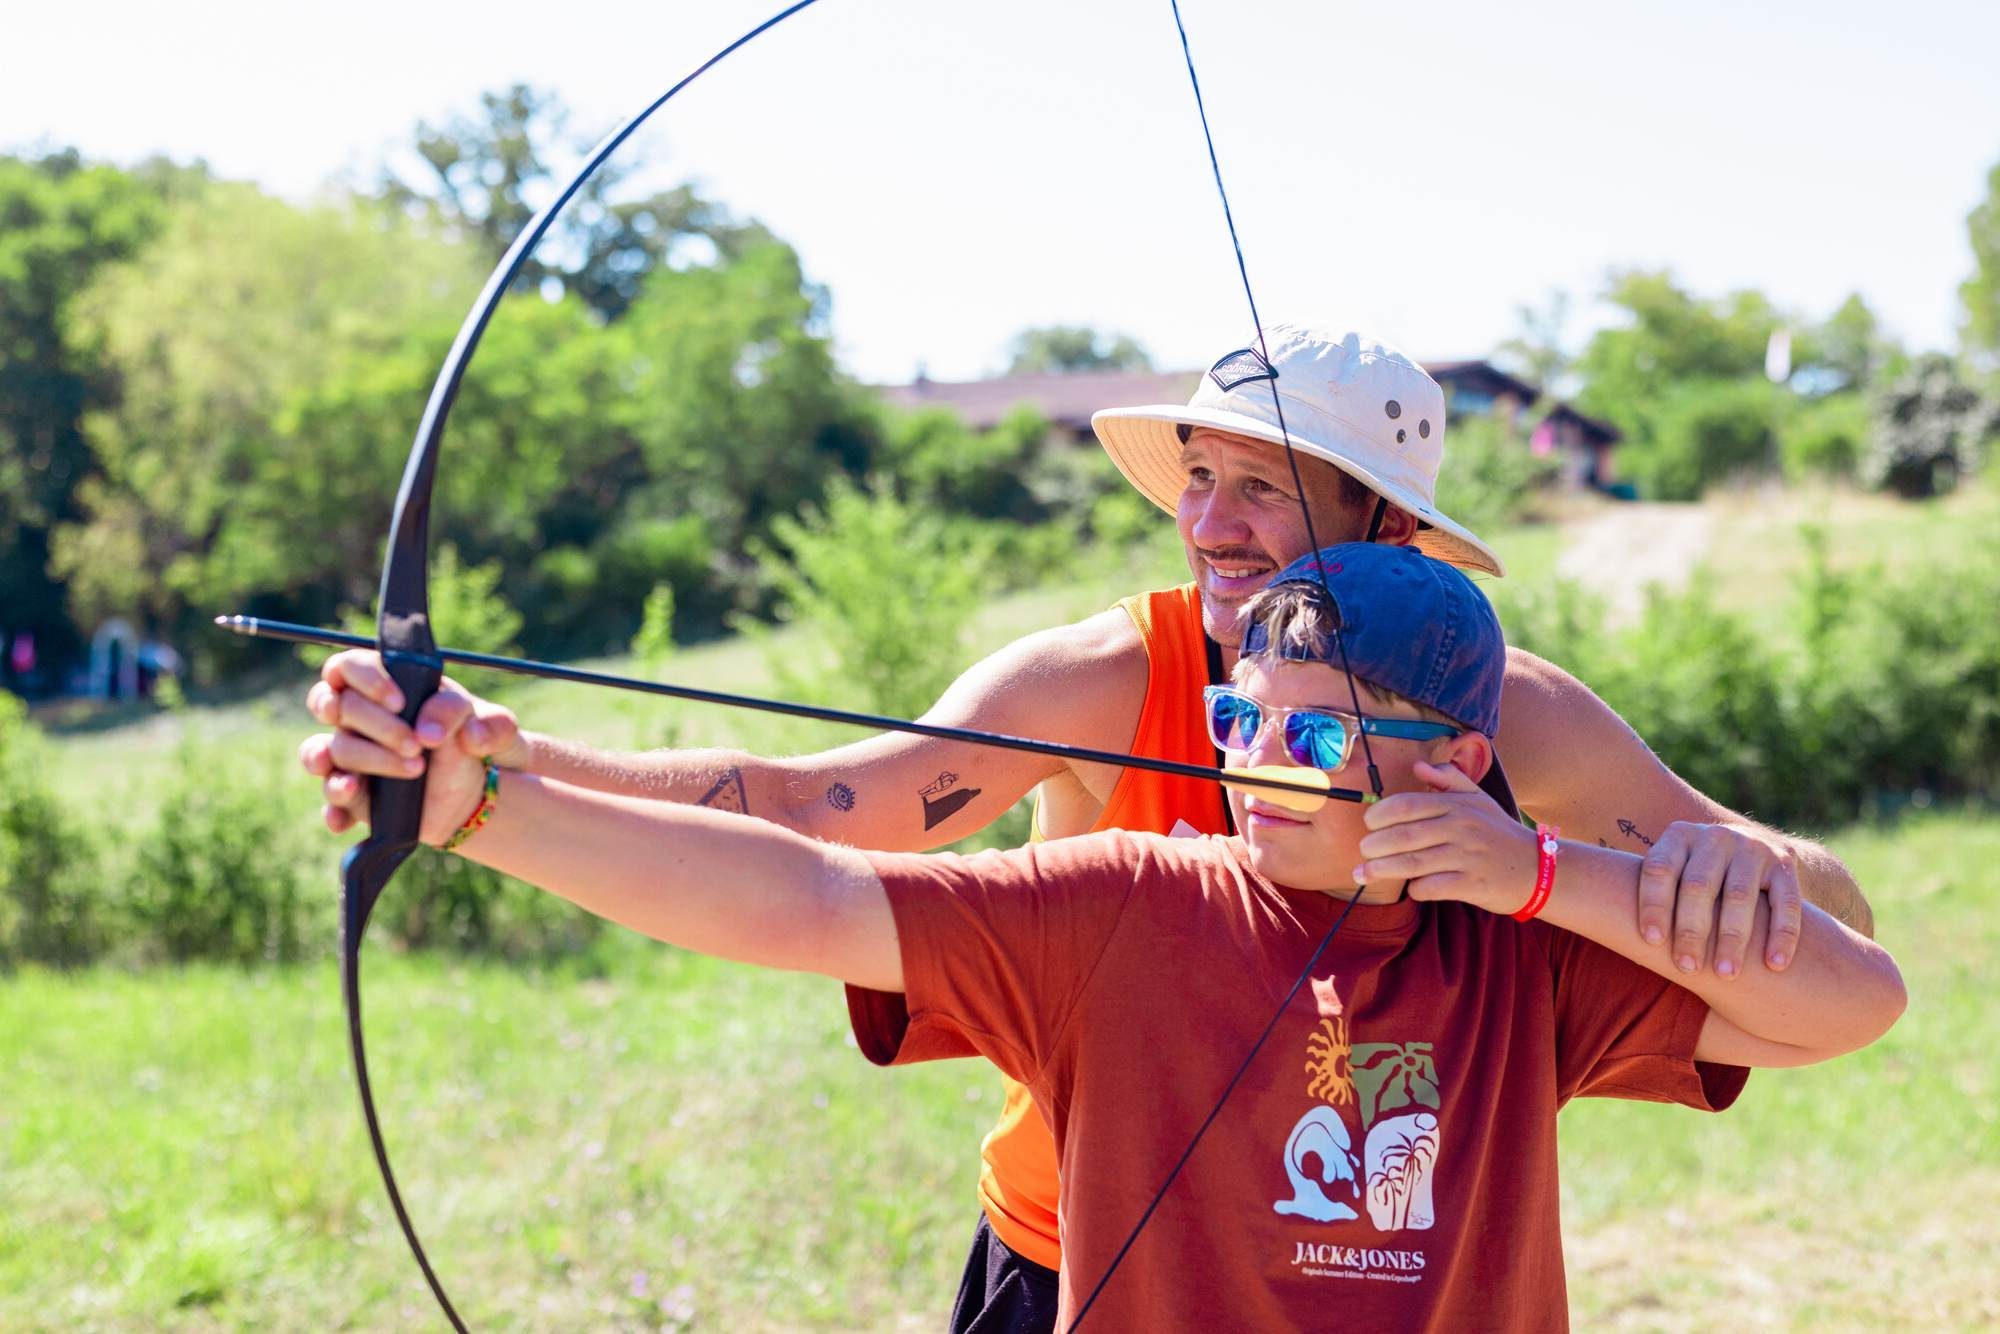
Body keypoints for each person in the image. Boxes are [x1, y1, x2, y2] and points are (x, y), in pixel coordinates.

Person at [302, 324, 1877, 1329]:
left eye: (1263, 489)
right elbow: (820, 828)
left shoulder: (1513, 727)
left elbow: (1818, 934)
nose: (1211, 524)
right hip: (1095, 1244)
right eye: (1199, 480)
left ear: (1393, 537)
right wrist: (495, 773)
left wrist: (1577, 870)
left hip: (1393, 1246)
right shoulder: (1103, 697)